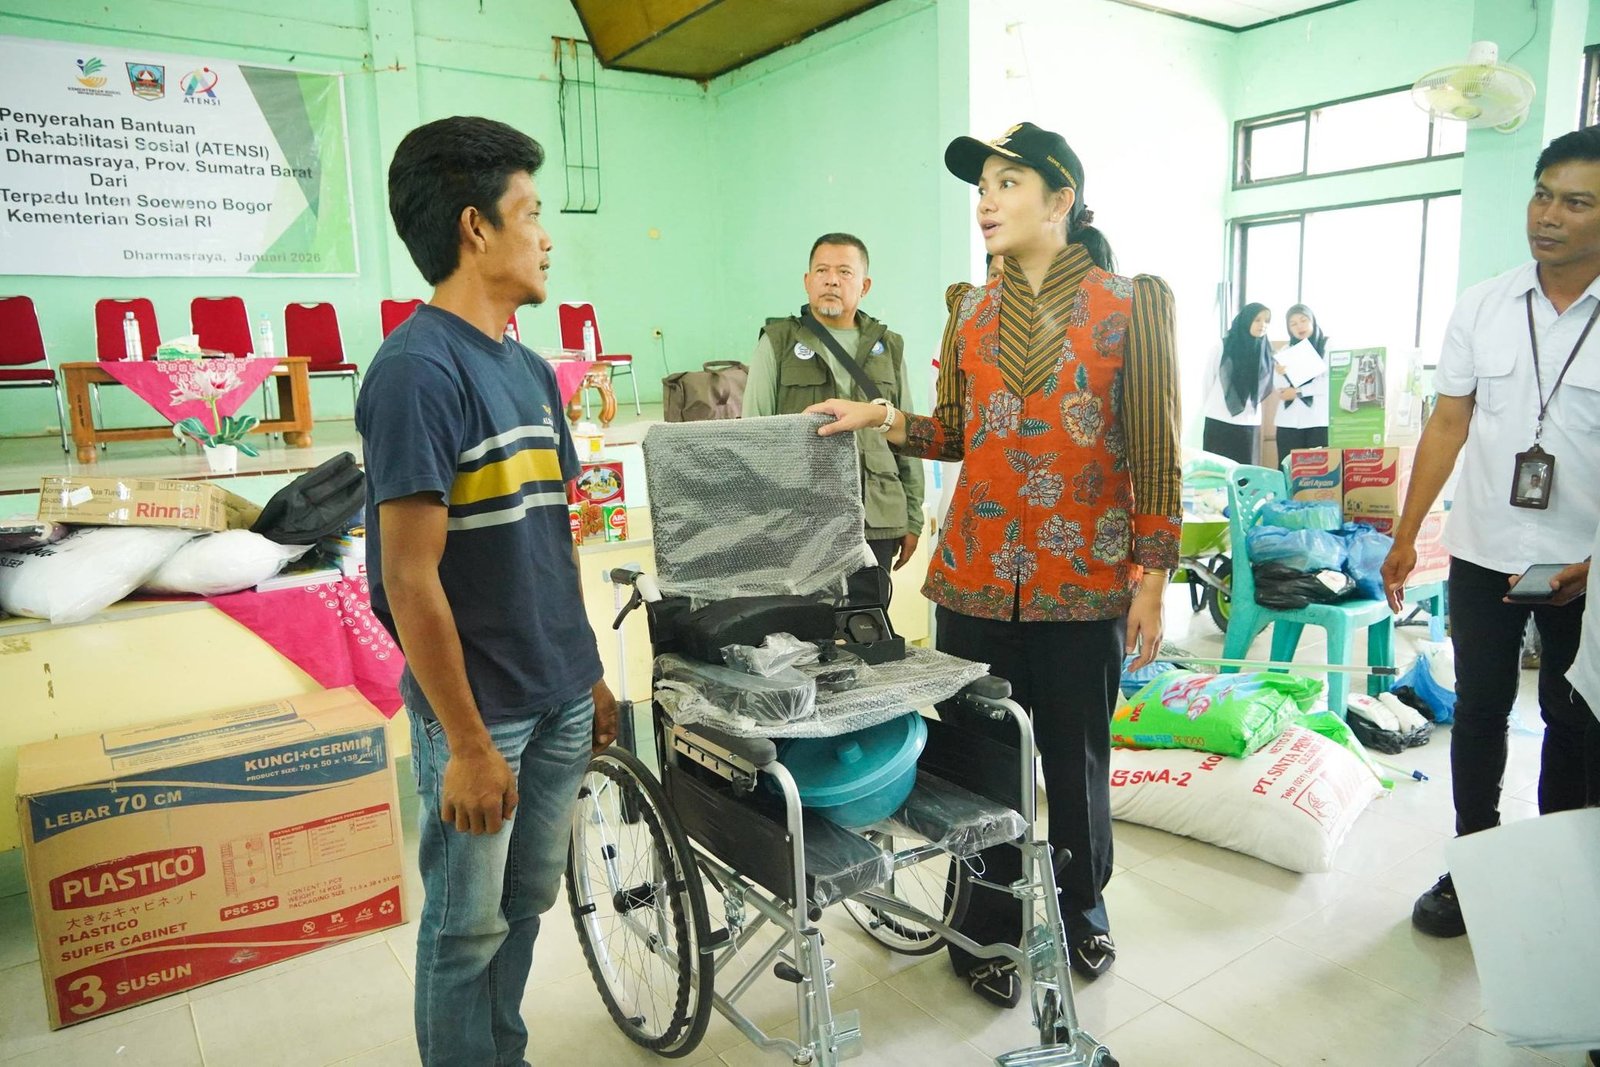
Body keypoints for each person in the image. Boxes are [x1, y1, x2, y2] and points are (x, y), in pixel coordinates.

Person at [807, 121, 1181, 1006]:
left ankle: (1083, 907)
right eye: (981, 187)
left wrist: (1154, 577)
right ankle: (985, 922)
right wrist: (880, 417)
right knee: (979, 765)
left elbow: (1157, 450)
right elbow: (956, 434)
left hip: (1083, 583)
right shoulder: (969, 311)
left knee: (1076, 762)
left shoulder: (1130, 305)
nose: (986, 201)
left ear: (1061, 199)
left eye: (1008, 183)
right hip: (973, 582)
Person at [357, 116, 619, 1067]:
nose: (546, 237)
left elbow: (553, 539)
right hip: (483, 711)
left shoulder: (533, 371)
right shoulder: (416, 372)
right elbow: (407, 576)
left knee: (525, 903)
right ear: (476, 227)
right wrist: (467, 744)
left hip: (556, 694)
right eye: (532, 212)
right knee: (465, 927)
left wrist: (588, 671)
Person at [1381, 126, 1600, 940]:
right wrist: (1408, 532)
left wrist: (1594, 564)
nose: (1548, 215)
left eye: (1575, 202)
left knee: (1574, 718)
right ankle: (1473, 864)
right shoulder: (1484, 303)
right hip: (1481, 551)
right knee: (1478, 710)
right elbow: (1448, 423)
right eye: (1542, 195)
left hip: (1584, 561)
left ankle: (1561, 871)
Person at [744, 233, 925, 571]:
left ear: (864, 285)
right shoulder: (778, 342)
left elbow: (908, 436)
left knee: (870, 602)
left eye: (844, 272)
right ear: (807, 281)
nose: (831, 280)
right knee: (806, 606)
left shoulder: (889, 346)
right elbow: (754, 436)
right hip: (801, 518)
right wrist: (761, 519)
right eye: (822, 270)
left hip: (877, 514)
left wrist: (913, 516)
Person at [1202, 304, 1273, 464]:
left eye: (1267, 321)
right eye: (1257, 320)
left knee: (1245, 472)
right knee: (1217, 471)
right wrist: (1209, 407)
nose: (1263, 324)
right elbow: (1208, 380)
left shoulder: (1266, 351)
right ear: (1246, 320)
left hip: (1249, 422)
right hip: (1219, 419)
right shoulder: (1223, 346)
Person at [1274, 303, 1330, 453]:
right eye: (1293, 324)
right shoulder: (1286, 350)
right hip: (1288, 421)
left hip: (1317, 421)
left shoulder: (1327, 346)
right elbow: (1279, 389)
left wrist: (1299, 392)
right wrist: (1279, 373)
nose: (1299, 326)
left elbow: (1329, 383)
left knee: (1317, 465)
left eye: (1303, 320)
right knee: (1287, 464)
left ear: (1312, 320)